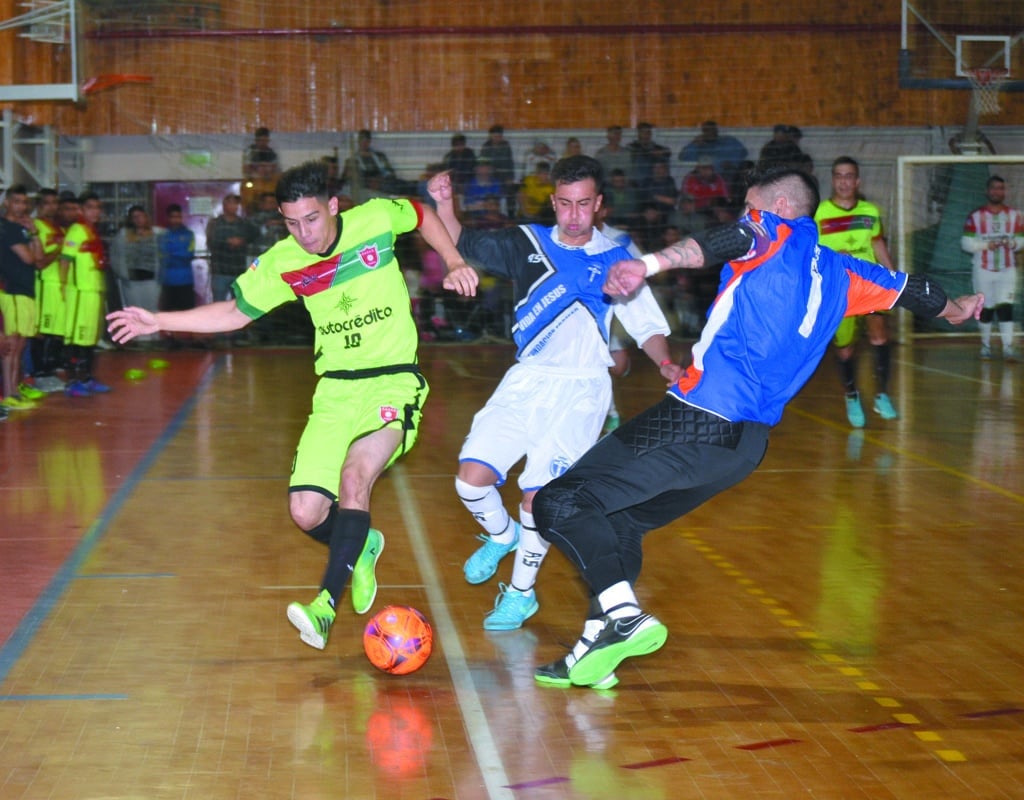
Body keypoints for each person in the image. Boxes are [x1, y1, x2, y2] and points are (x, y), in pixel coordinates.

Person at [529, 168, 983, 690]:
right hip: (746, 448)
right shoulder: (847, 273)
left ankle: (623, 615)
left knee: (557, 503)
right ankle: (597, 646)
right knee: (623, 520)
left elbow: (726, 239)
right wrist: (958, 309)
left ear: (781, 205)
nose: (746, 215)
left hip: (697, 418)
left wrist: (648, 264)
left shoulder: (771, 233)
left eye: (751, 206)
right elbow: (916, 289)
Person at [107, 160, 477, 652]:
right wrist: (158, 320)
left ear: (333, 206)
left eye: (312, 219)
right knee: (305, 511)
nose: (304, 233)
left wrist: (453, 261)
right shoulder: (284, 261)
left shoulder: (375, 220)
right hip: (335, 391)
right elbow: (234, 312)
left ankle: (325, 606)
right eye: (291, 222)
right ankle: (361, 544)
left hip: (392, 383)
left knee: (355, 477)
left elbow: (422, 214)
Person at [427, 156, 680, 641]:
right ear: (554, 202)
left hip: (583, 389)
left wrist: (665, 363)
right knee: (470, 481)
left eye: (584, 204)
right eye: (564, 204)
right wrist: (444, 202)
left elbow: (646, 326)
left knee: (536, 497)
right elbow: (459, 238)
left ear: (598, 204)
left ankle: (521, 591)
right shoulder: (529, 242)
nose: (573, 215)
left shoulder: (619, 258)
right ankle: (503, 539)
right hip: (527, 379)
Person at [815, 156, 899, 426]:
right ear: (832, 180)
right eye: (839, 176)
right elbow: (811, 254)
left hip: (870, 285)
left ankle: (882, 395)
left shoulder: (870, 212)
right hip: (839, 289)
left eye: (849, 176)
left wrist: (894, 279)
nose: (844, 181)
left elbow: (878, 245)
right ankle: (851, 395)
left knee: (879, 336)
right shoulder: (819, 214)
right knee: (845, 349)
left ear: (857, 181)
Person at [961, 174, 1024, 361]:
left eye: (1001, 188)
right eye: (994, 188)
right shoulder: (975, 216)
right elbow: (965, 243)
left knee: (1006, 307)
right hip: (983, 269)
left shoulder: (1014, 215)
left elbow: (1021, 241)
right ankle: (986, 346)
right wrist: (986, 246)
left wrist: (1012, 244)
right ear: (987, 191)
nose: (997, 191)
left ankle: (1008, 348)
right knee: (986, 308)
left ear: (1004, 191)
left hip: (1007, 269)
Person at [61, 192, 112, 397]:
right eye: (91, 207)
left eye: (98, 207)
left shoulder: (92, 231)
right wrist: (63, 286)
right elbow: (65, 259)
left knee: (90, 338)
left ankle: (88, 378)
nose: (96, 211)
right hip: (79, 292)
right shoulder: (76, 230)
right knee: (76, 338)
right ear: (81, 210)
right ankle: (73, 381)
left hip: (92, 291)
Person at [0, 184, 42, 409]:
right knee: (12, 345)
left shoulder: (23, 229)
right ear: (7, 203)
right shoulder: (7, 229)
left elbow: (40, 257)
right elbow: (29, 259)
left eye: (24, 202)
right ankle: (9, 393)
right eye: (16, 201)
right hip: (13, 291)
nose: (21, 206)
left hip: (26, 291)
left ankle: (15, 390)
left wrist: (34, 233)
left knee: (21, 344)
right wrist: (32, 249)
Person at [31, 188, 67, 393]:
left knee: (55, 331)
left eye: (55, 203)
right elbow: (40, 262)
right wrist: (59, 248)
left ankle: (50, 370)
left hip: (58, 286)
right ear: (39, 205)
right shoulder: (36, 227)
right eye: (47, 203)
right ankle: (40, 374)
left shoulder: (58, 229)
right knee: (42, 332)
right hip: (44, 283)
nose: (52, 207)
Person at [206, 194, 258, 302]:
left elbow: (255, 236)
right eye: (230, 203)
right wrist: (227, 241)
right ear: (224, 205)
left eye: (236, 203)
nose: (233, 206)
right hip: (220, 271)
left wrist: (243, 240)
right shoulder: (215, 223)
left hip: (238, 271)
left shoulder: (244, 223)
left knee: (238, 305)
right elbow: (210, 242)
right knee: (218, 305)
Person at [158, 204, 197, 345]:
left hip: (186, 279)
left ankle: (188, 338)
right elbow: (163, 254)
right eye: (173, 217)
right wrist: (177, 254)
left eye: (178, 217)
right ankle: (171, 339)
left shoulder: (189, 234)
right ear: (168, 218)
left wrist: (173, 254)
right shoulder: (163, 234)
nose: (176, 220)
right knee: (168, 312)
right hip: (168, 280)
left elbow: (189, 254)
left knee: (188, 311)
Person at [679, 120, 749, 185]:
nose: (710, 132)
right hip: (707, 176)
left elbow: (743, 152)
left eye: (712, 129)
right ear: (703, 132)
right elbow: (682, 157)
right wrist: (694, 144)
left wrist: (732, 163)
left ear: (716, 130)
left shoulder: (728, 140)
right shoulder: (699, 146)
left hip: (727, 174)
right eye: (706, 130)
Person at [479, 124, 517, 217]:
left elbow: (509, 162)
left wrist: (510, 178)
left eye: (499, 136)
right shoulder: (486, 146)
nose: (497, 138)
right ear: (491, 136)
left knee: (510, 193)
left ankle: (510, 217)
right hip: (491, 176)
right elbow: (483, 163)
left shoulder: (506, 145)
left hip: (504, 176)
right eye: (495, 136)